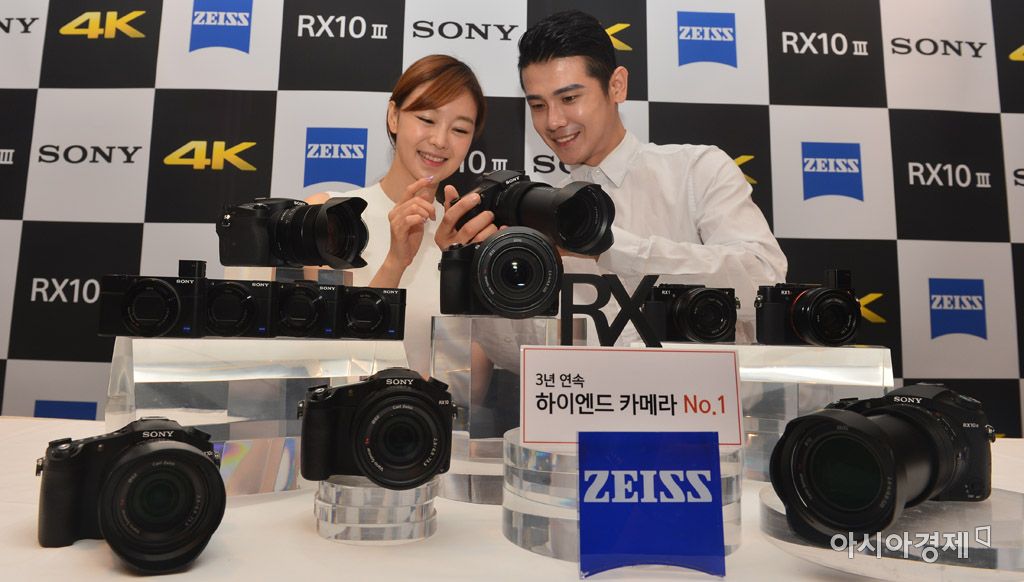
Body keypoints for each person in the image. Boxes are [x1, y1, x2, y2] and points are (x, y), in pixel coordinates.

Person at [516, 10, 788, 344]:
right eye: (538, 106)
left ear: (616, 86)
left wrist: (606, 246)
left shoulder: (697, 170)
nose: (553, 121)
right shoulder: (541, 217)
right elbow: (528, 353)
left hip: (707, 380)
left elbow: (765, 284)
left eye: (569, 98)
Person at [308, 54, 497, 377]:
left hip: (438, 410)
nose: (440, 141)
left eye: (459, 129)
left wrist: (464, 272)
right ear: (394, 116)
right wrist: (395, 262)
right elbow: (329, 362)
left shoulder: (468, 236)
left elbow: (472, 387)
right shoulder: (331, 215)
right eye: (427, 119)